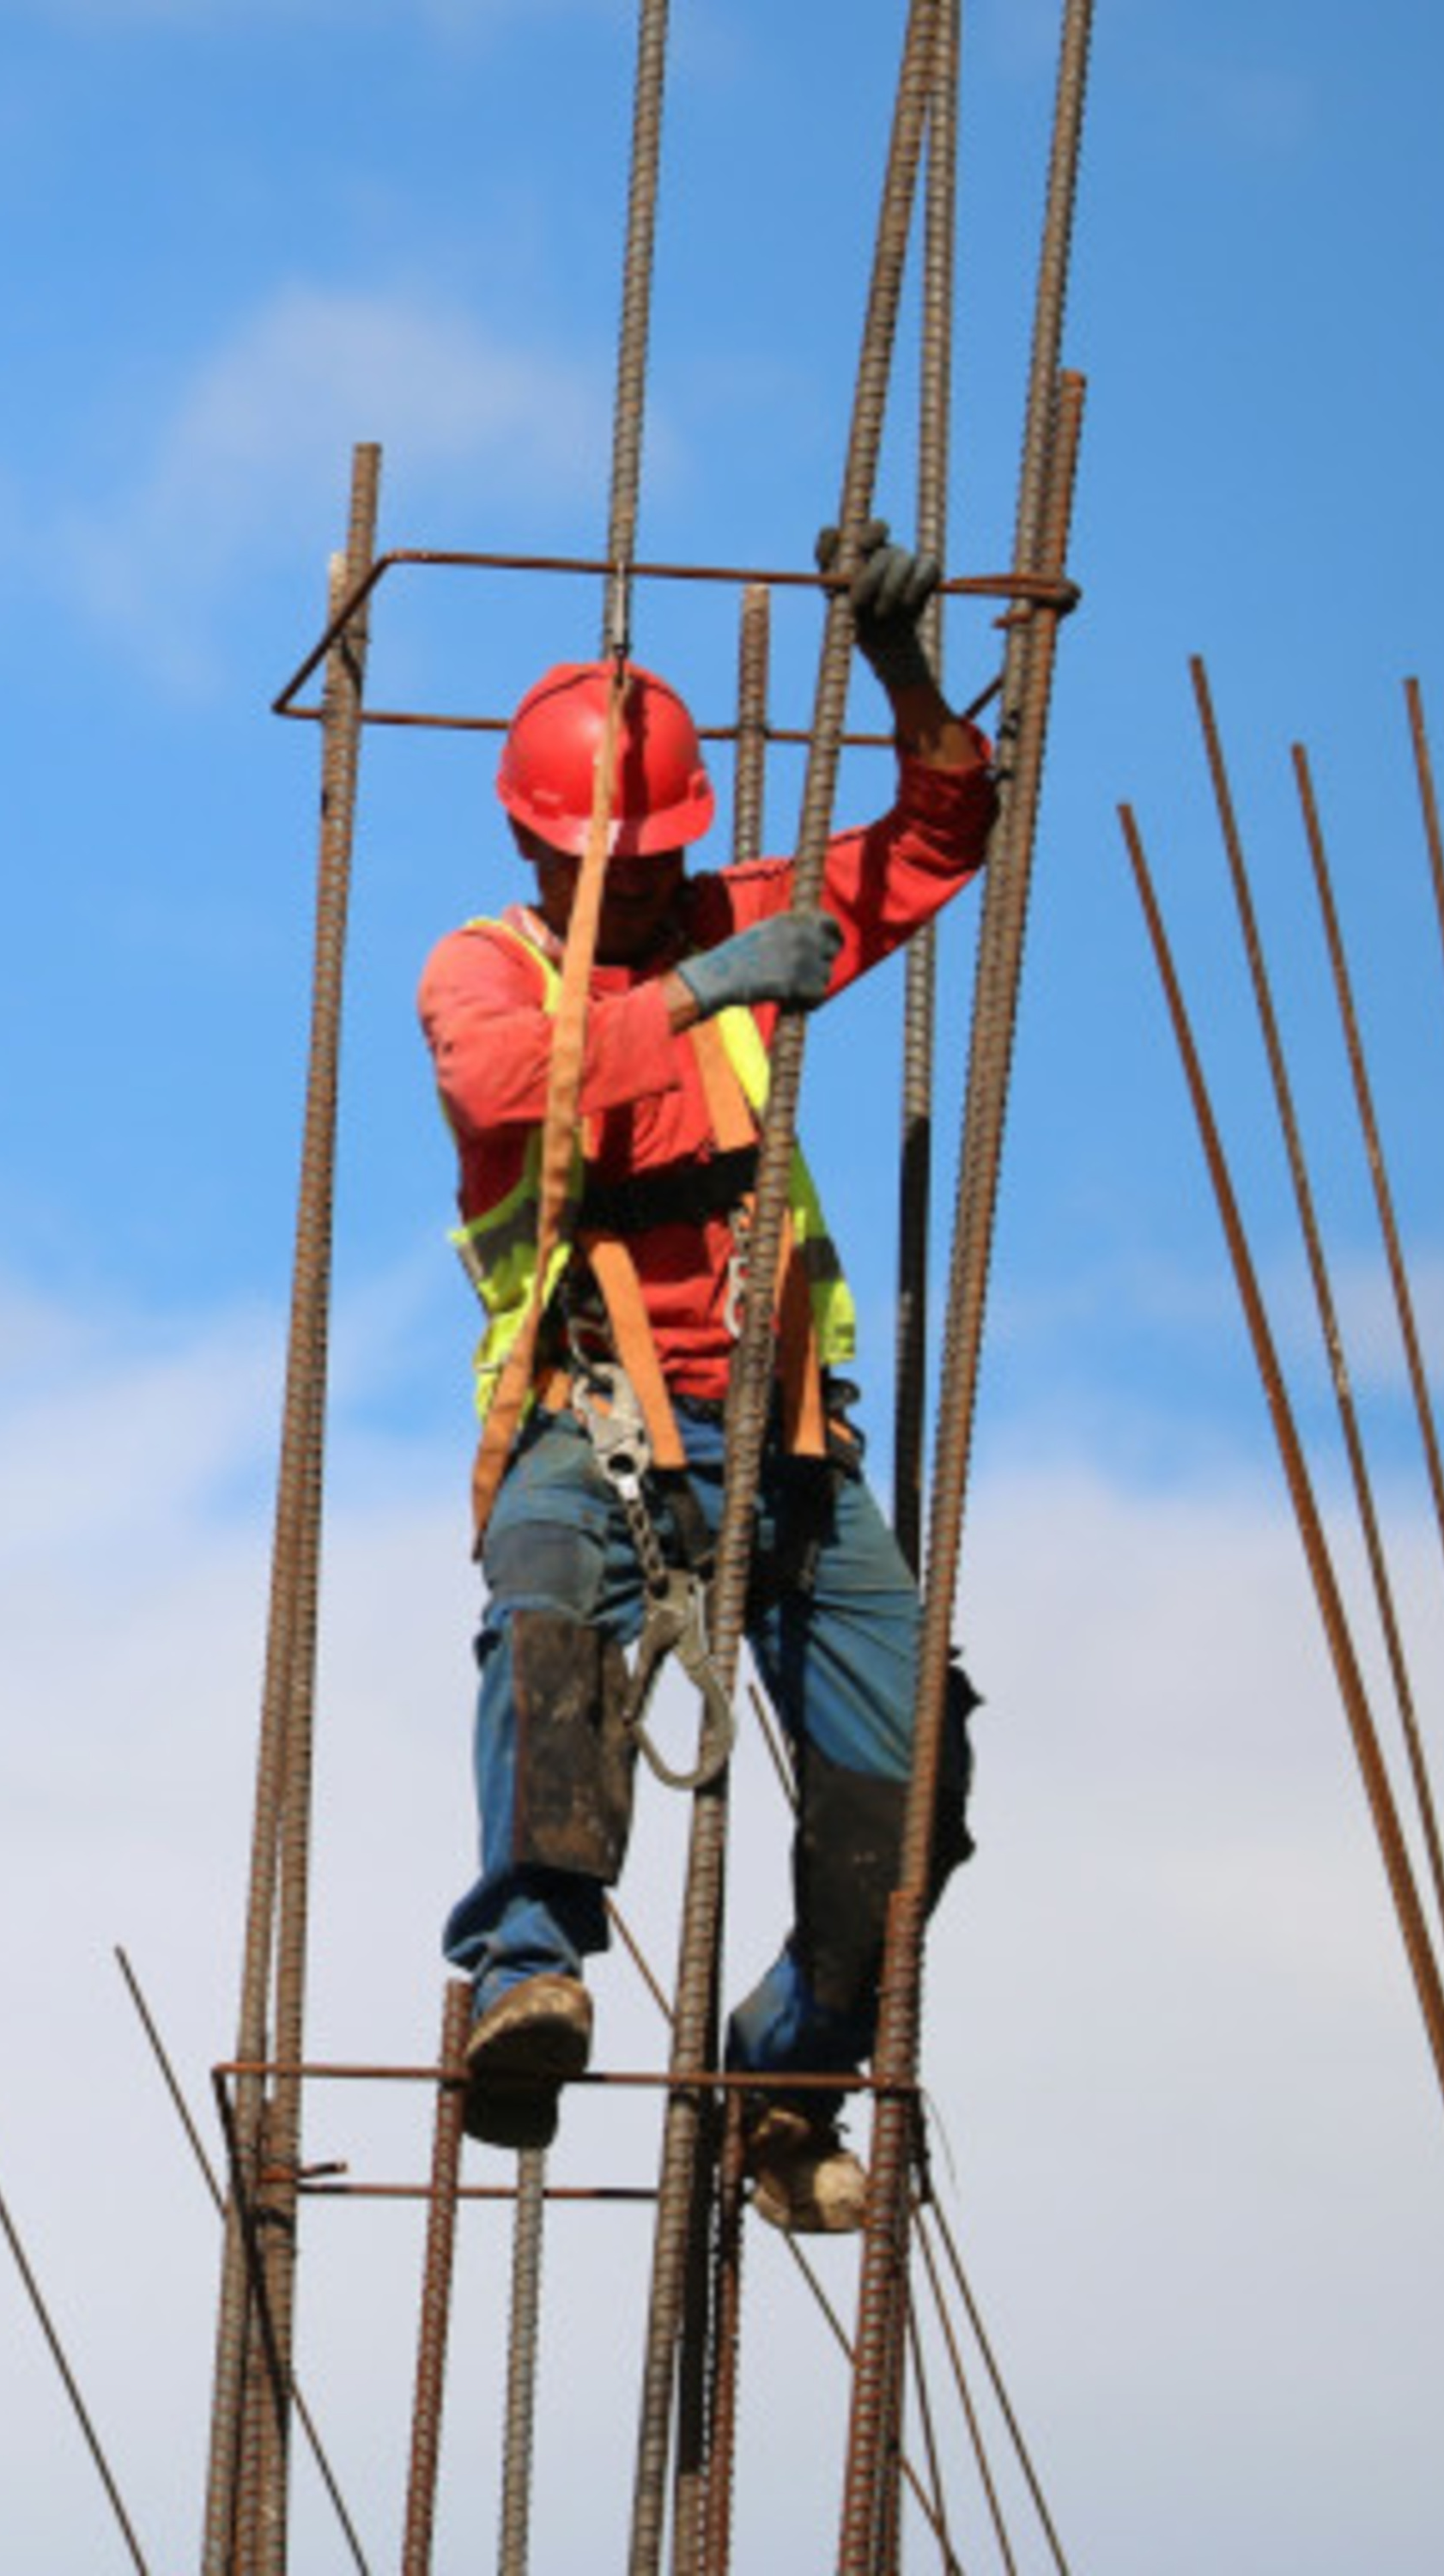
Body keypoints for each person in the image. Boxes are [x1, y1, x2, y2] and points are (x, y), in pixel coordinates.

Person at [416, 524, 994, 2230]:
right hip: (592, 1422)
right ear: (534, 844)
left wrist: (904, 678)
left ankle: (782, 2081)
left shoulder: (734, 918)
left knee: (909, 1805)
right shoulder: (489, 969)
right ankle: (529, 1968)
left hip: (784, 1440)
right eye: (615, 861)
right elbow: (502, 1085)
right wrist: (697, 987)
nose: (648, 886)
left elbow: (934, 840)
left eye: (665, 857)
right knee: (545, 1611)